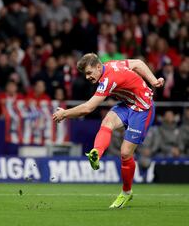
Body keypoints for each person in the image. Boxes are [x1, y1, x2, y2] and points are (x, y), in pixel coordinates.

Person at [53, 53, 165, 208]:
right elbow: (137, 63)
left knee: (125, 153)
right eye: (85, 74)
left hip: (142, 109)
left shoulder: (107, 80)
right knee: (107, 121)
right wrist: (154, 81)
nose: (87, 77)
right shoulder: (111, 65)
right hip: (127, 104)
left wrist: (64, 113)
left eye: (89, 73)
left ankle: (126, 192)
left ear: (98, 67)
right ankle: (96, 154)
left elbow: (88, 108)